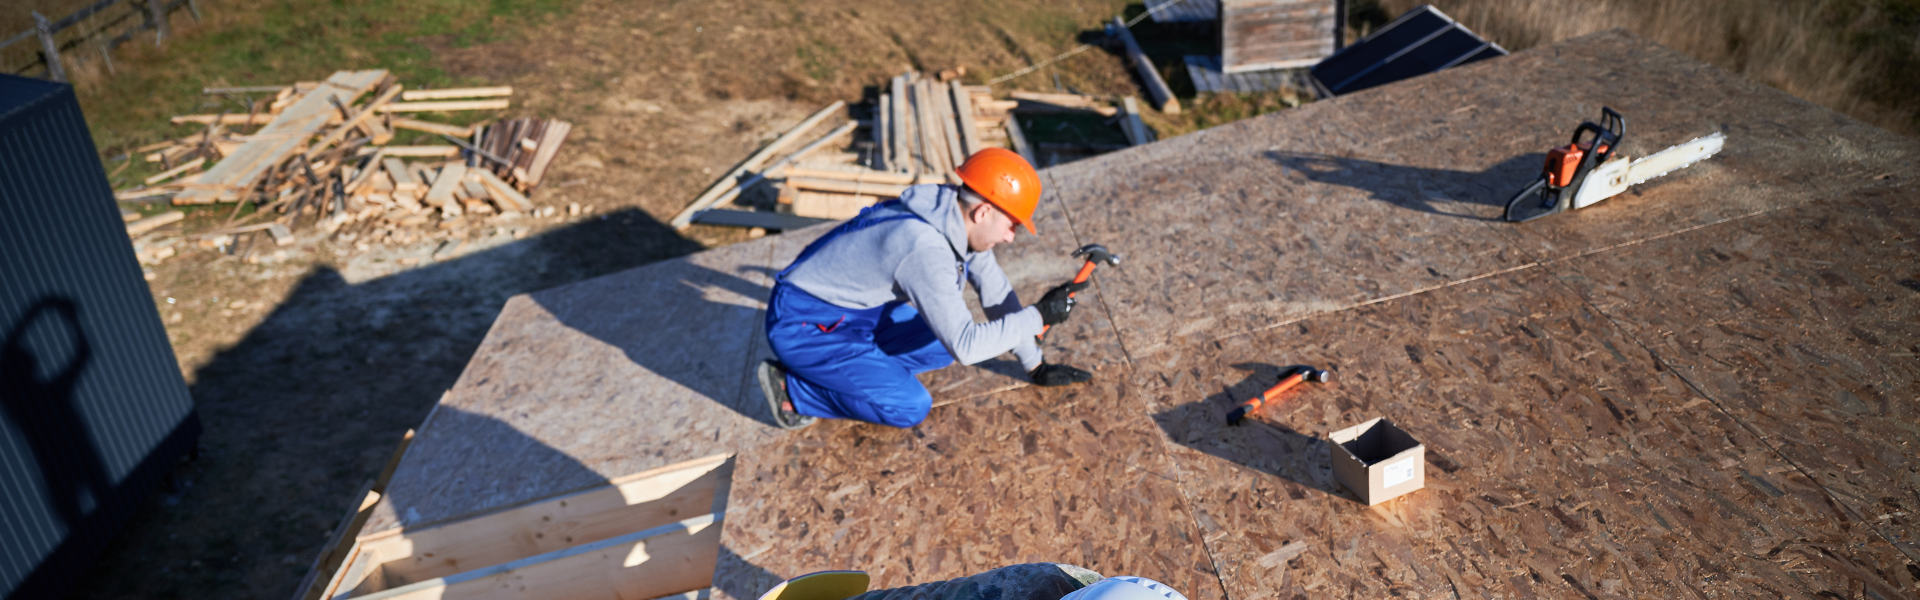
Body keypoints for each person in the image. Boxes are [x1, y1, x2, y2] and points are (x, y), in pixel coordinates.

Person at [757, 148, 1096, 430]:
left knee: (939, 343)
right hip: (805, 325)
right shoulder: (924, 249)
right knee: (909, 406)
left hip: (853, 314)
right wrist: (1039, 316)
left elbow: (995, 293)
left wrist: (1035, 365)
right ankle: (795, 389)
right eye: (1012, 226)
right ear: (983, 212)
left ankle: (856, 372)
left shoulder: (949, 211)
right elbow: (967, 346)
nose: (1010, 237)